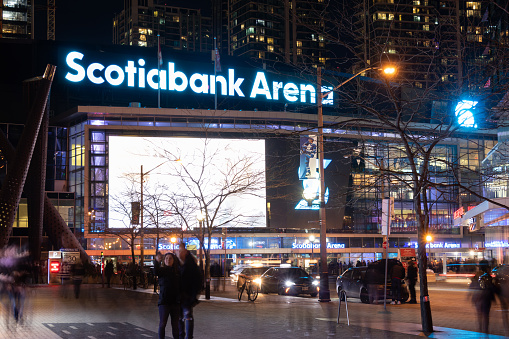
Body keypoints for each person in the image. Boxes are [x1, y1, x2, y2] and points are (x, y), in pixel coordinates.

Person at [178, 242, 202, 339]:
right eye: (178, 251)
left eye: (180, 251)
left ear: (185, 251)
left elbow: (197, 281)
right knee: (179, 318)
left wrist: (194, 296)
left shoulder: (190, 264)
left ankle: (188, 337)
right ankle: (181, 336)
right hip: (179, 296)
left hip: (187, 296)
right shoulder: (178, 264)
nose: (179, 253)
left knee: (187, 317)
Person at [154, 252, 181, 339]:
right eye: (166, 258)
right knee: (162, 324)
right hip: (164, 302)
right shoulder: (162, 271)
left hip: (175, 303)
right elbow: (155, 271)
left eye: (170, 258)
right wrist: (157, 261)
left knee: (175, 325)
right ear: (164, 260)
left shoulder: (177, 271)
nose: (168, 260)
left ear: (174, 260)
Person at [471, 263, 496, 333]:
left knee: (479, 314)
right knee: (486, 315)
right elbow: (492, 287)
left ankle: (480, 328)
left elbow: (472, 285)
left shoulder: (477, 276)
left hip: (478, 297)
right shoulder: (488, 276)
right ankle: (485, 330)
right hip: (486, 298)